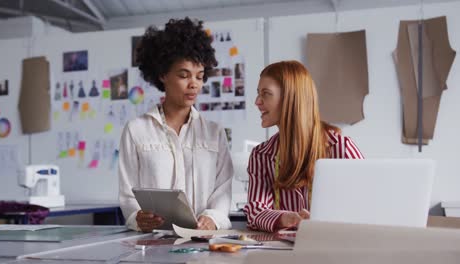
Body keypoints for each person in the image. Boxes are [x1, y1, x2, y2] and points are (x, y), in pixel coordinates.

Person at [119, 17, 234, 232]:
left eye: (200, 77)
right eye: (184, 75)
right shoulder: (136, 130)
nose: (194, 84)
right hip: (153, 243)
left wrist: (213, 218)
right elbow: (128, 195)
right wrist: (137, 218)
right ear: (163, 74)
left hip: (202, 242)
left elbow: (223, 189)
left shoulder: (214, 133)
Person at [244, 60, 364, 232]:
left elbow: (365, 204)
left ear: (290, 99)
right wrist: (284, 218)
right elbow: (255, 211)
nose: (257, 101)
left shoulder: (340, 148)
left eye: (266, 94)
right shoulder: (261, 156)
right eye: (258, 93)